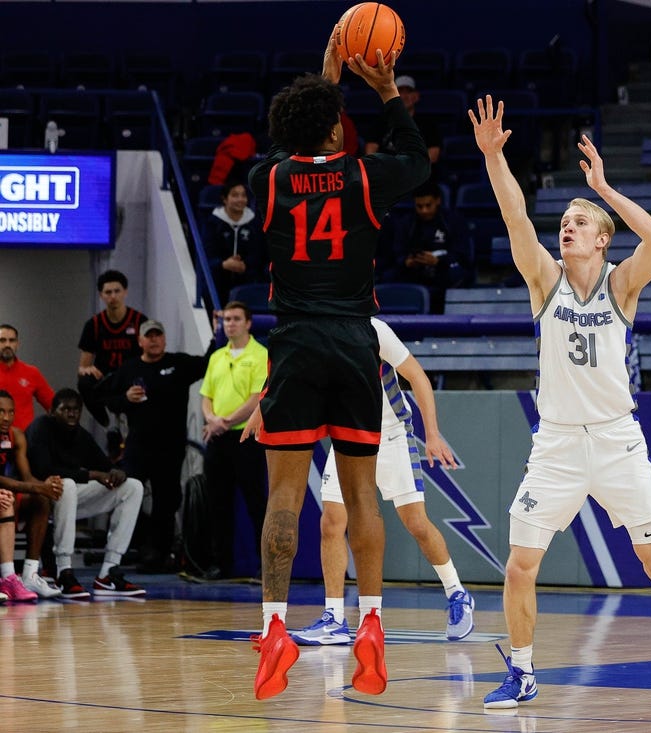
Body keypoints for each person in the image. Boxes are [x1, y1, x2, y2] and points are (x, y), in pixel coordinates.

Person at [469, 95, 651, 709]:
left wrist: (603, 189)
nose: (566, 228)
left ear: (603, 240)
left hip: (615, 439)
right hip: (555, 442)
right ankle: (522, 672)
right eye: (567, 223)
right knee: (520, 563)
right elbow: (516, 220)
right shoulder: (544, 282)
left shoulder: (621, 286)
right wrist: (495, 161)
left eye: (579, 224)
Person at [241, 27, 429, 701]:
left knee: (284, 499)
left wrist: (325, 81)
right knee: (359, 499)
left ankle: (273, 632)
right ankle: (371, 622)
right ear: (337, 131)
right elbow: (416, 160)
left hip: (292, 342)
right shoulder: (363, 174)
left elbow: (286, 145)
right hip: (354, 341)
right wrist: (385, 95)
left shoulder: (267, 179)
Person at [291, 316, 471, 645]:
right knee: (331, 522)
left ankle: (457, 594)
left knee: (416, 523)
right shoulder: (315, 334)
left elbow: (418, 377)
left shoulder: (375, 330)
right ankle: (334, 618)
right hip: (347, 439)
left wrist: (431, 434)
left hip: (390, 437)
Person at [97, 320, 212, 573]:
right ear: (140, 341)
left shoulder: (178, 363)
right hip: (138, 447)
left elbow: (209, 363)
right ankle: (128, 549)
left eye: (158, 335)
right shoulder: (129, 369)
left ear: (165, 339)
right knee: (130, 494)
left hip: (170, 448)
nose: (154, 340)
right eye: (148, 336)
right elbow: (106, 398)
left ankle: (159, 554)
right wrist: (125, 399)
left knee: (166, 501)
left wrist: (218, 331)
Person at [25, 389, 145, 599]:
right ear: (53, 411)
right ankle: (64, 570)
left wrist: (116, 472)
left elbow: (105, 466)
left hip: (69, 500)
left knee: (133, 486)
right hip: (40, 499)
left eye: (76, 410)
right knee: (68, 484)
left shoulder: (80, 435)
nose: (72, 414)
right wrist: (91, 474)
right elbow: (43, 470)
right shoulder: (41, 428)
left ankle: (108, 572)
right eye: (66, 410)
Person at [199, 301, 268, 580]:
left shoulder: (260, 354)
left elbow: (256, 399)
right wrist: (213, 420)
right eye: (226, 319)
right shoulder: (217, 356)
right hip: (218, 438)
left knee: (256, 502)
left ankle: (266, 565)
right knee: (218, 503)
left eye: (236, 319)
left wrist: (224, 421)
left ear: (248, 323)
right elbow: (206, 395)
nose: (230, 323)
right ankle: (221, 564)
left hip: (246, 436)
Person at [0, 390, 64, 601]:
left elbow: (26, 476)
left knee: (40, 500)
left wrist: (47, 485)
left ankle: (29, 574)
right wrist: (38, 487)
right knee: (7, 498)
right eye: (0, 412)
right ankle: (7, 576)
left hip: (4, 491)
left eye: (10, 412)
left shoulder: (15, 435)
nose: (6, 418)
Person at [376, 180, 473, 313]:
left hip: (443, 273)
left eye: (428, 205)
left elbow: (462, 254)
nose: (424, 210)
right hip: (413, 273)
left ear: (438, 201)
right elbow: (397, 252)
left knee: (459, 274)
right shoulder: (406, 223)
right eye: (419, 206)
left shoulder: (454, 221)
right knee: (386, 276)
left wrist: (438, 261)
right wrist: (407, 261)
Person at [76, 270, 148, 428]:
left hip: (132, 376)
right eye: (108, 292)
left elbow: (149, 355)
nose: (113, 296)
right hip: (107, 378)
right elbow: (83, 366)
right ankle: (105, 421)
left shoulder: (139, 320)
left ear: (125, 292)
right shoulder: (93, 325)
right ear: (101, 295)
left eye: (117, 291)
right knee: (84, 383)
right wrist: (86, 370)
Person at [204, 180, 268, 306]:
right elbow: (207, 252)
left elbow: (260, 252)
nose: (240, 199)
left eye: (243, 195)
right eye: (235, 195)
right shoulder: (213, 223)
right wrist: (224, 264)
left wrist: (245, 265)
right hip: (218, 279)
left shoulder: (254, 223)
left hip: (247, 279)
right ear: (225, 199)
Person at [365, 74, 441, 165]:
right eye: (399, 92)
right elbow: (370, 152)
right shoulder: (380, 122)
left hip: (416, 174)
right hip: (387, 173)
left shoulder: (427, 124)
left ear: (416, 96)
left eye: (408, 92)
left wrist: (410, 170)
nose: (404, 96)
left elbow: (433, 154)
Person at [0, 324, 54, 432]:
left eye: (12, 340)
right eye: (2, 340)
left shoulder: (31, 373)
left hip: (25, 442)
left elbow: (53, 405)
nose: (7, 344)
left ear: (17, 344)